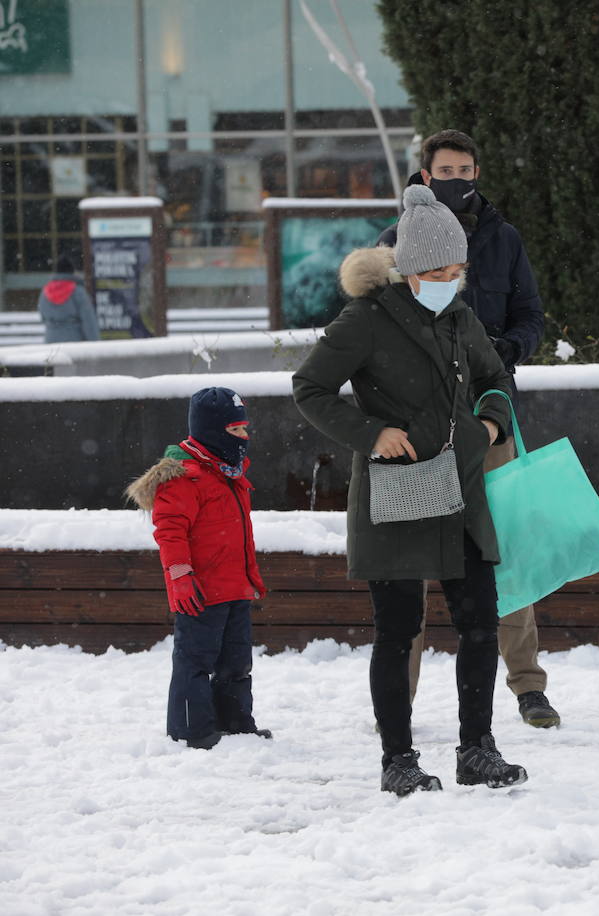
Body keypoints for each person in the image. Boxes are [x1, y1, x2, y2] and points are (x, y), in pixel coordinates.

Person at [293, 183, 527, 795]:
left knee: (480, 623)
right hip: (397, 493)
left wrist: (489, 421)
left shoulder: (460, 316)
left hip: (462, 489)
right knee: (397, 631)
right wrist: (371, 434)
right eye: (445, 269)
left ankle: (477, 748)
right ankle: (397, 758)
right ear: (415, 269)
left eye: (461, 268)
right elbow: (309, 389)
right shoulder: (365, 320)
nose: (457, 278)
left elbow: (496, 375)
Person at [376, 129, 559, 730]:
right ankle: (397, 696)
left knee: (504, 551)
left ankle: (528, 686)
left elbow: (531, 314)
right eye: (444, 169)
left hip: (489, 417)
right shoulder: (393, 243)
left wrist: (505, 348)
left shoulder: (501, 239)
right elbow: (365, 330)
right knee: (411, 556)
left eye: (465, 168)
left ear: (477, 171)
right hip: (420, 427)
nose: (456, 178)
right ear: (424, 177)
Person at [126, 386, 270, 749]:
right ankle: (191, 729)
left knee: (236, 662)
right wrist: (181, 576)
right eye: (235, 430)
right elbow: (170, 532)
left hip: (234, 585)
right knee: (195, 661)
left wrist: (250, 577)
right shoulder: (184, 476)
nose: (244, 437)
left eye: (244, 429)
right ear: (212, 431)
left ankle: (235, 722)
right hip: (201, 591)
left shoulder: (228, 472)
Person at [38, 253, 99, 343]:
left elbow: (43, 316)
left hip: (51, 342)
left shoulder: (45, 291)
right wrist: (95, 342)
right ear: (72, 271)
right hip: (74, 341)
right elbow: (88, 320)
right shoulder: (78, 291)